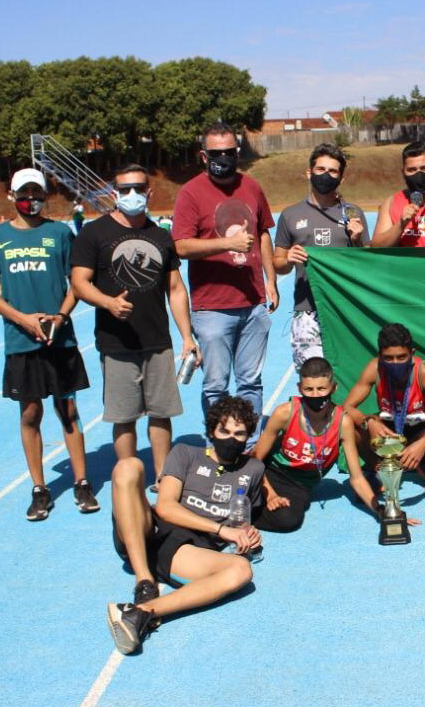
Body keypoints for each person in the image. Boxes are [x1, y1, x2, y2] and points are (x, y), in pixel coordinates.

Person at [0, 168, 98, 520]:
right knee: (30, 412)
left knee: (69, 411)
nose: (30, 199)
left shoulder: (59, 233)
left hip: (59, 341)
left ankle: (81, 482)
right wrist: (23, 319)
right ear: (11, 195)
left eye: (37, 192)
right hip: (21, 341)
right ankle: (40, 488)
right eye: (24, 193)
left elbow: (76, 283)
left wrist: (59, 317)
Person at [106, 395, 264, 655]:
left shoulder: (254, 469)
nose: (230, 438)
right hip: (151, 529)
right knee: (128, 466)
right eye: (224, 430)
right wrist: (222, 530)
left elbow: (244, 516)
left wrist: (248, 532)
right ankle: (144, 581)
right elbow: (165, 507)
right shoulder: (186, 453)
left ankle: (141, 612)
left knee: (241, 570)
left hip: (187, 551)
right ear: (212, 430)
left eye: (239, 433)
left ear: (247, 437)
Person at [71, 164, 198, 485]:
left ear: (149, 193)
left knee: (161, 413)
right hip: (117, 345)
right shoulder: (94, 233)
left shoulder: (160, 236)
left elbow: (175, 289)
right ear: (115, 193)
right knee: (124, 418)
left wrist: (187, 336)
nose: (132, 195)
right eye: (125, 189)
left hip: (158, 341)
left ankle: (162, 477)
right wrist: (108, 302)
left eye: (138, 189)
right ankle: (129, 479)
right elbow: (79, 282)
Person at [172, 122, 278, 425]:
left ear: (238, 152)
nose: (223, 158)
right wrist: (227, 243)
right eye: (216, 153)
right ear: (203, 156)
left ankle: (251, 444)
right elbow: (180, 246)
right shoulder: (191, 193)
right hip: (212, 308)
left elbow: (263, 235)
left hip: (253, 303)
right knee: (216, 386)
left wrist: (270, 280)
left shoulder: (252, 187)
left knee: (251, 383)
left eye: (229, 152)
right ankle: (220, 448)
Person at [251, 357, 388, 532]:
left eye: (322, 388)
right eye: (309, 389)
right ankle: (234, 516)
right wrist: (269, 494)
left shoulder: (342, 422)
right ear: (300, 389)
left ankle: (245, 509)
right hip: (271, 472)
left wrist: (380, 511)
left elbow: (357, 478)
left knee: (289, 520)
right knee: (238, 489)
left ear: (333, 388)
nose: (315, 395)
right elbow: (255, 460)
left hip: (300, 484)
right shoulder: (284, 413)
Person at [273, 144, 368, 369]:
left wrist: (357, 240)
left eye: (333, 171)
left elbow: (364, 264)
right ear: (309, 172)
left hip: (345, 307)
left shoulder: (353, 214)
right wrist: (289, 259)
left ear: (341, 178)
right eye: (320, 169)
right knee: (312, 380)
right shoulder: (290, 215)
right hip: (307, 309)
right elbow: (278, 263)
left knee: (348, 373)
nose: (326, 175)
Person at [344, 323, 425, 495]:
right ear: (380, 356)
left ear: (412, 354)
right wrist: (368, 423)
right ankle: (377, 470)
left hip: (418, 429)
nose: (395, 363)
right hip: (387, 430)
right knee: (351, 428)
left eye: (401, 357)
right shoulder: (375, 368)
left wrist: (423, 444)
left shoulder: (423, 372)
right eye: (388, 358)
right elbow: (347, 407)